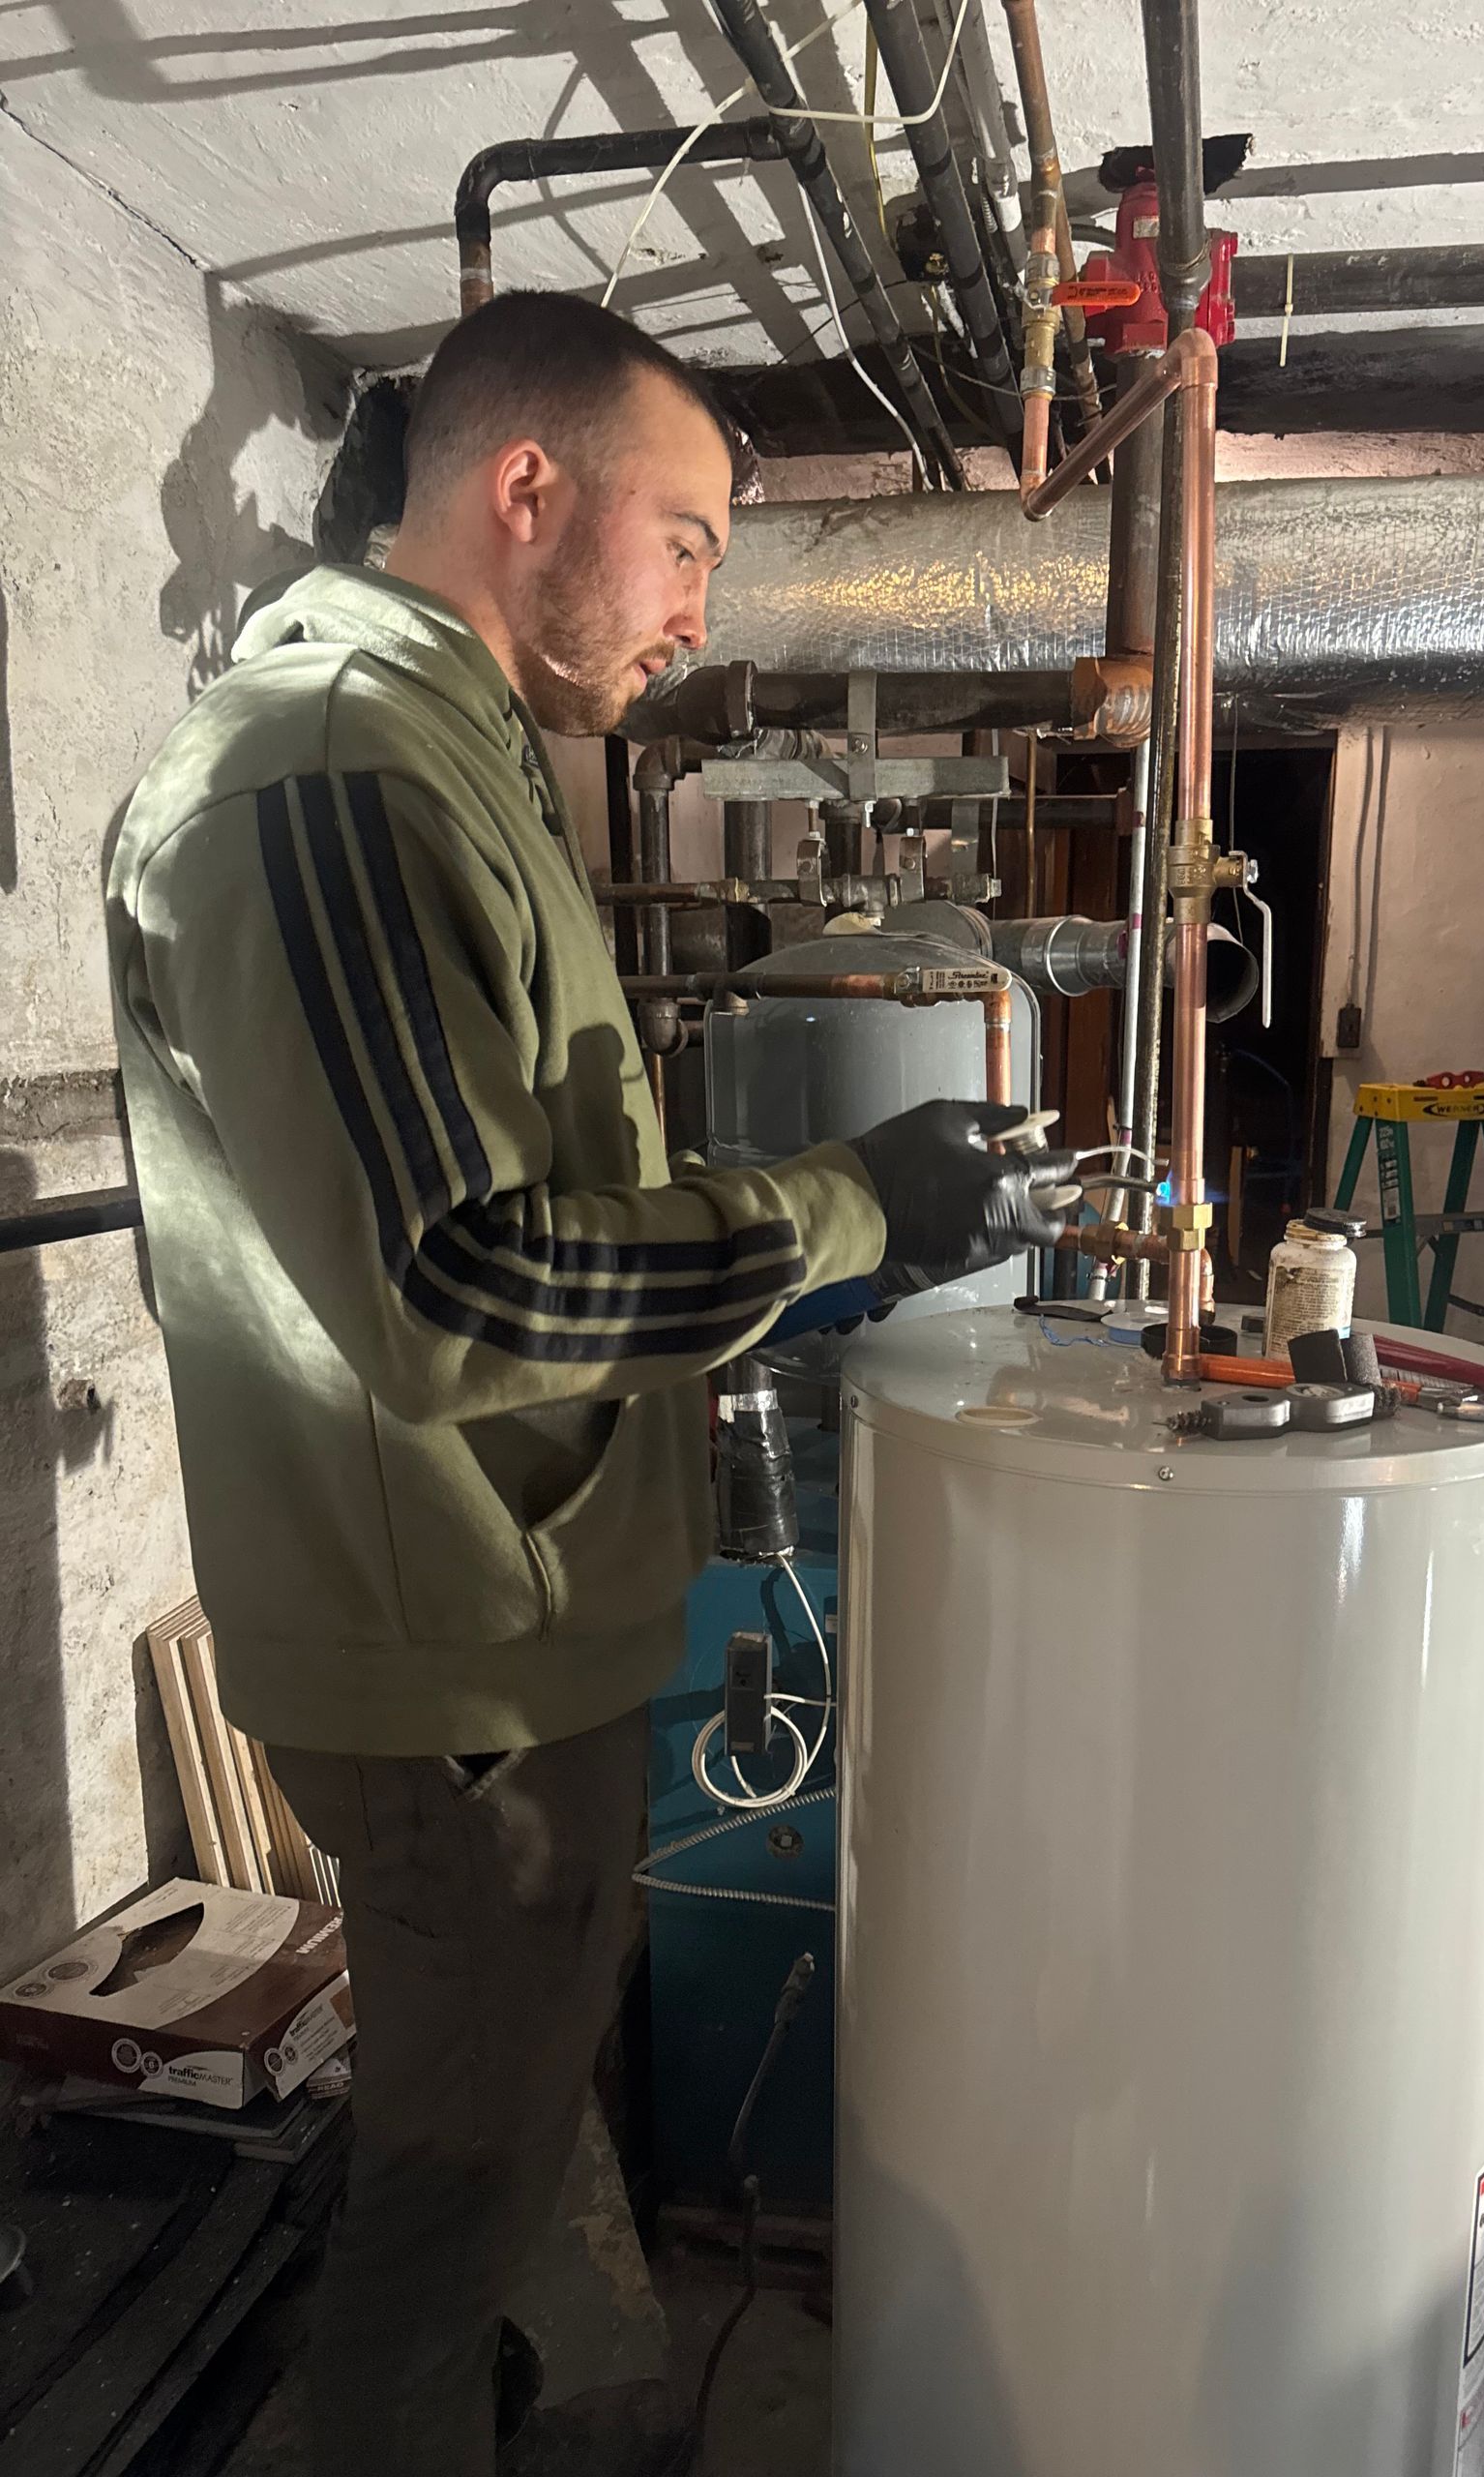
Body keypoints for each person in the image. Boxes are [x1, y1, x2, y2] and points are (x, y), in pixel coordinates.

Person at [106, 291, 1063, 2477]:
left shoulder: (445, 752)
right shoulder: (325, 764)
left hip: (514, 1611)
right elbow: (457, 1280)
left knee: (503, 2141)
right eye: (693, 538)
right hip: (455, 1650)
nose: (700, 610)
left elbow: (520, 1171)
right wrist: (847, 1206)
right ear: (525, 489)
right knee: (440, 2208)